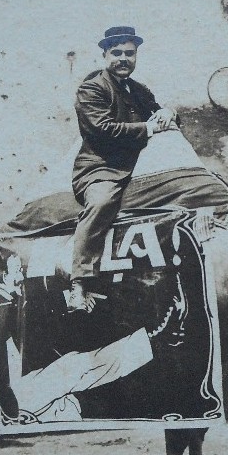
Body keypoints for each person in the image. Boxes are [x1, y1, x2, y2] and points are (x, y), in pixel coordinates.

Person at [68, 25, 179, 312]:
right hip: (101, 168)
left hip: (139, 169)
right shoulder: (91, 88)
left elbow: (157, 112)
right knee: (102, 202)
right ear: (104, 55)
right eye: (116, 53)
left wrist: (168, 113)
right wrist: (149, 127)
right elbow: (102, 130)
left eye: (129, 53)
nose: (123, 59)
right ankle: (79, 283)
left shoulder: (138, 90)